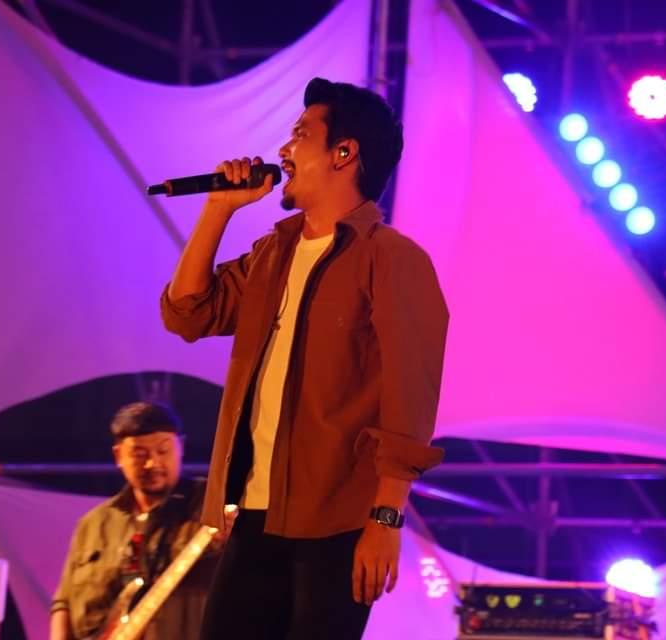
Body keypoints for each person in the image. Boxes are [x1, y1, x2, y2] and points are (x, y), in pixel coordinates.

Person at [160, 77, 449, 639]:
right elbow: (187, 314)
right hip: (256, 513)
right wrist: (218, 208)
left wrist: (385, 519)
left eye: (299, 134)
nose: (284, 150)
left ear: (344, 153)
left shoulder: (392, 259)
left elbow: (410, 401)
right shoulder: (273, 253)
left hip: (339, 522)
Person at [50, 402, 231, 640]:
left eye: (163, 451)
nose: (152, 463)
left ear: (181, 447)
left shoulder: (211, 503)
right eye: (139, 454)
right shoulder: (92, 524)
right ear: (118, 455)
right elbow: (63, 603)